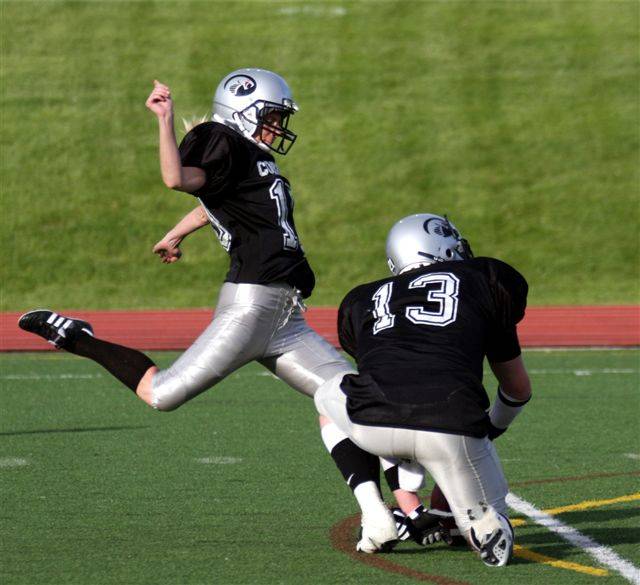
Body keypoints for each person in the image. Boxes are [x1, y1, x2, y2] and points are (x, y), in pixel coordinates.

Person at [18, 68, 419, 553]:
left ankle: (380, 516)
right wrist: (165, 120)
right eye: (271, 115)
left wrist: (177, 232)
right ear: (241, 110)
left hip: (286, 315)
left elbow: (222, 205)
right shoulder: (219, 138)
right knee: (161, 394)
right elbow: (178, 179)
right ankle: (74, 336)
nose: (277, 126)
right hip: (252, 305)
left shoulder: (251, 157)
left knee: (348, 400)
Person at [314, 213, 532, 566]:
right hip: (453, 427)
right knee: (483, 518)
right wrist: (489, 431)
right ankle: (478, 524)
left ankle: (374, 514)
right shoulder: (486, 280)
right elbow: (517, 388)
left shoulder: (361, 298)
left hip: (374, 423)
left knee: (329, 393)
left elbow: (393, 384)